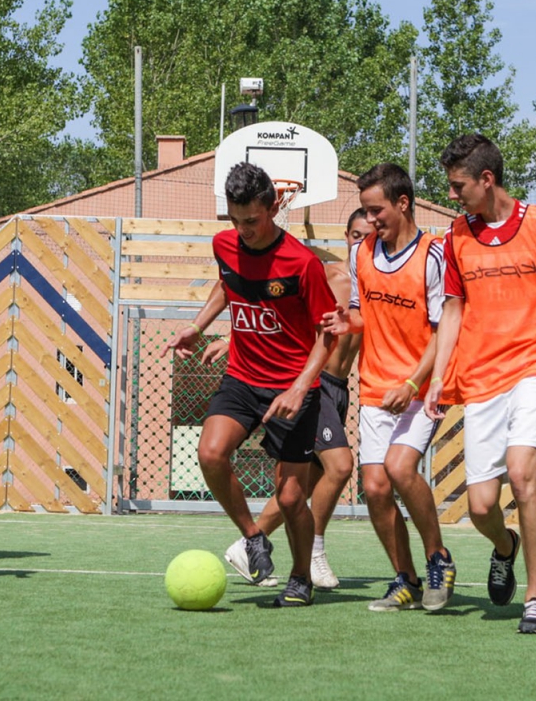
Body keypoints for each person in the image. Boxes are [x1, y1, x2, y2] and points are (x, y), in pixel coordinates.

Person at [423, 133, 536, 635]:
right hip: (482, 374)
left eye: (459, 186)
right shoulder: (456, 236)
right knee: (481, 506)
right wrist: (439, 376)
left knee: (524, 474)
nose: (453, 195)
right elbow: (453, 310)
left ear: (487, 179)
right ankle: (504, 546)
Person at [163, 162, 337, 607]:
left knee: (292, 495)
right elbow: (228, 285)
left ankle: (301, 579)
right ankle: (253, 536)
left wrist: (300, 387)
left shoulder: (302, 263)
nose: (244, 231)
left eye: (252, 221)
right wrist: (198, 327)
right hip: (242, 376)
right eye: (236, 221)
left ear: (273, 207)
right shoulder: (225, 245)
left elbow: (327, 334)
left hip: (292, 387)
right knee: (210, 453)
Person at [218, 208, 374, 590]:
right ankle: (313, 553)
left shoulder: (379, 286)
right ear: (345, 236)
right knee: (340, 466)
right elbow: (278, 315)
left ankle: (248, 545)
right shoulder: (330, 276)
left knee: (301, 487)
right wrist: (230, 340)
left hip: (341, 390)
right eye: (355, 235)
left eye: (370, 237)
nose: (361, 243)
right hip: (310, 384)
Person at [324, 163, 455, 612]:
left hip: (419, 389)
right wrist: (346, 320)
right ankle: (406, 579)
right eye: (364, 211)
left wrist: (414, 380)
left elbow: (444, 331)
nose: (370, 220)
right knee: (376, 488)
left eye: (375, 210)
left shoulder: (433, 256)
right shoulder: (364, 255)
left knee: (401, 470)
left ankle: (439, 558)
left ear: (402, 204)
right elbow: (363, 314)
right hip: (376, 388)